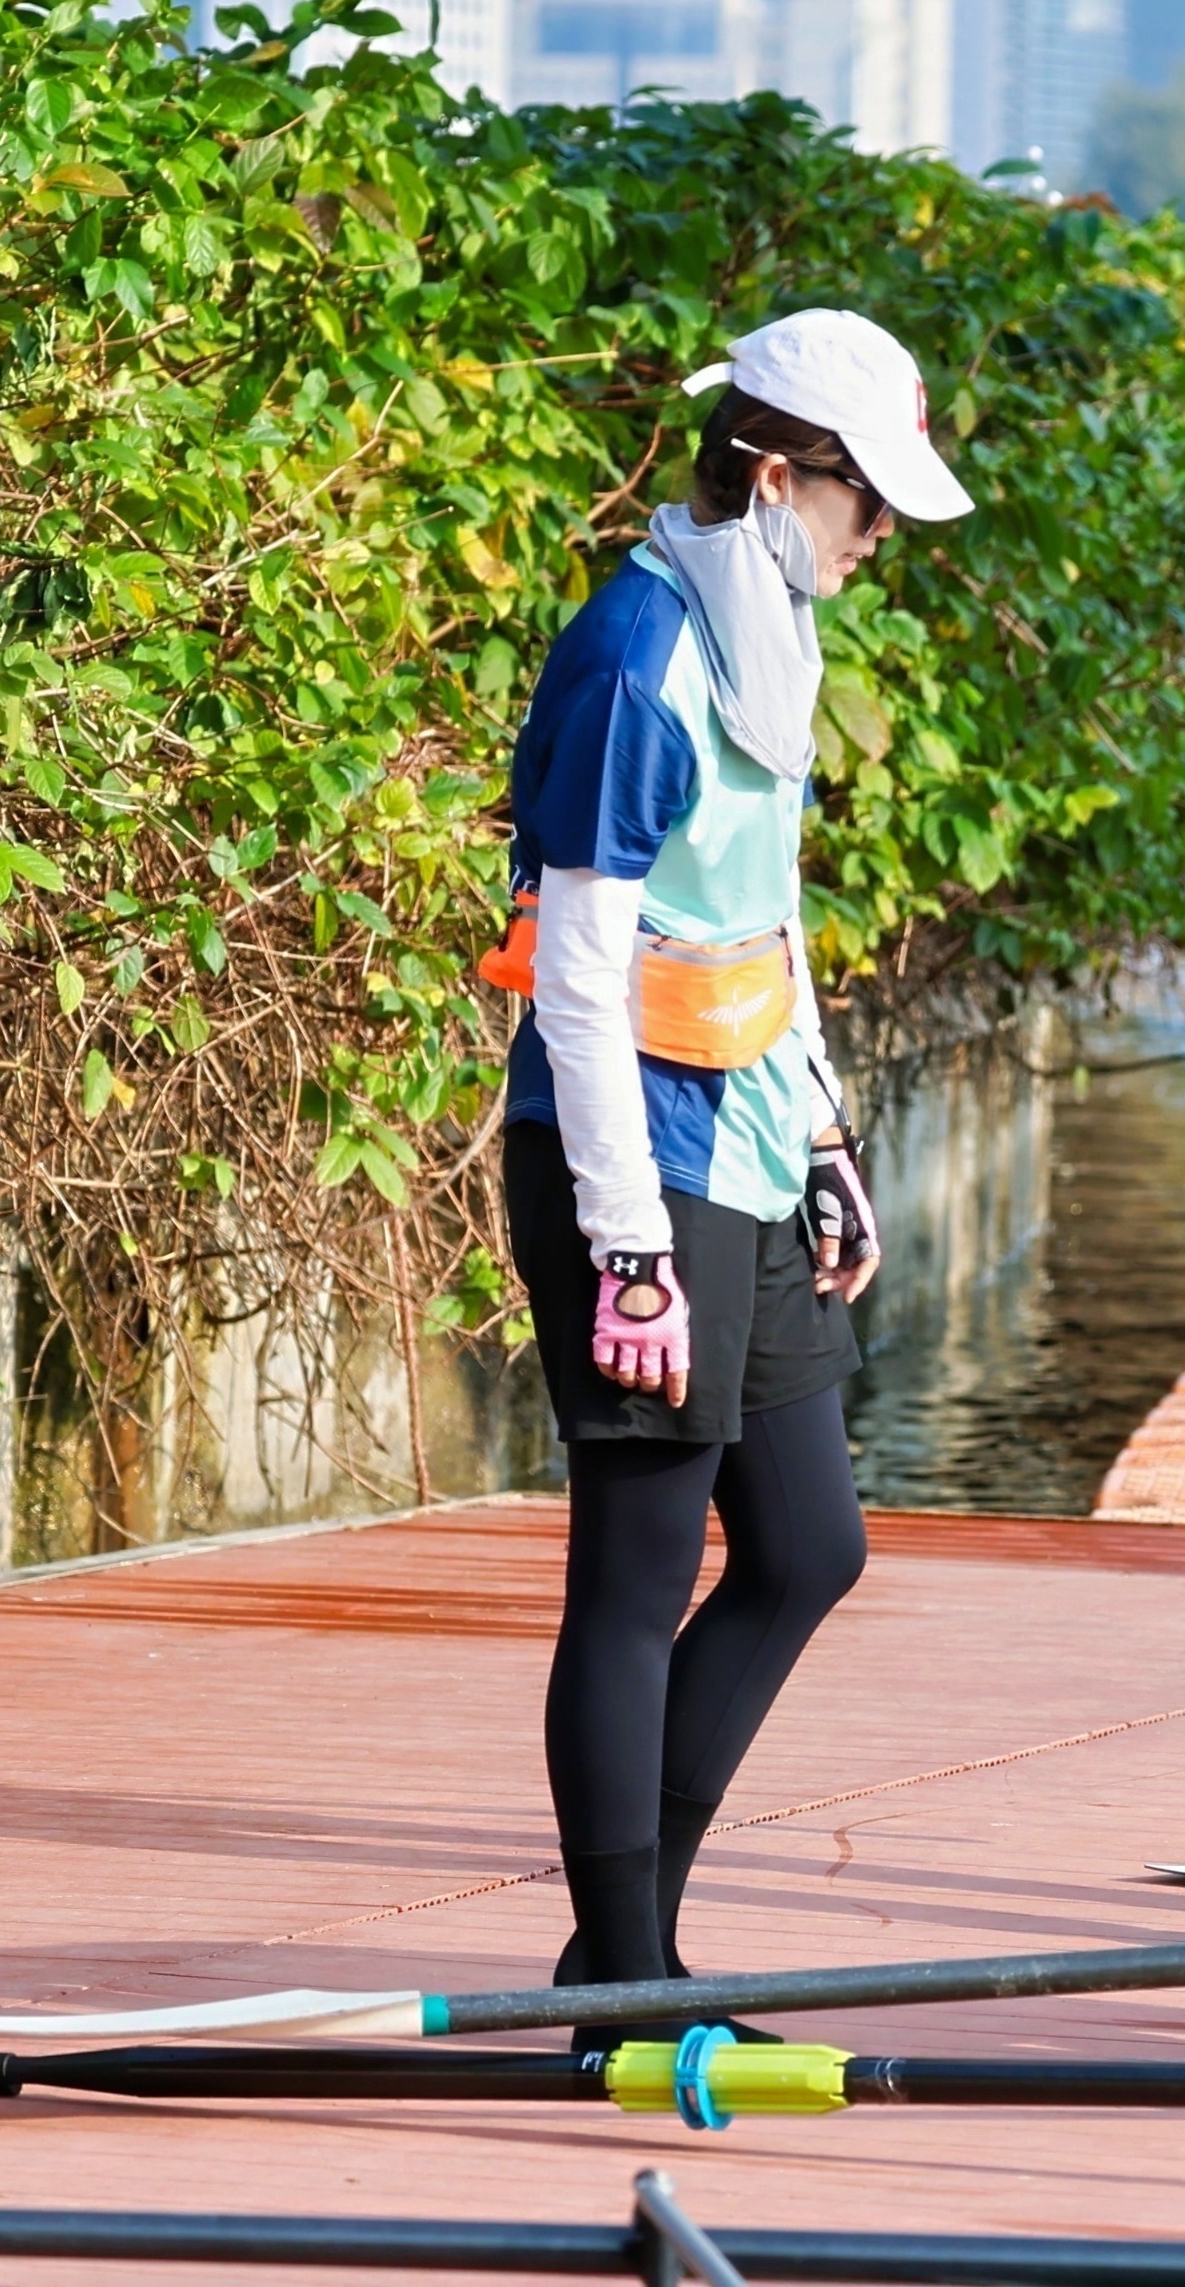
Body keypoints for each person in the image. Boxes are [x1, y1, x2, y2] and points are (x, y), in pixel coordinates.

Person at [496, 310, 970, 2016]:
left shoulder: (770, 630)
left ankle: (618, 1950)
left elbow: (759, 918)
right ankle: (622, 1977)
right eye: (864, 501)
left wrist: (827, 1127)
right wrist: (625, 1241)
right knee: (632, 1573)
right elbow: (577, 963)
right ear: (773, 476)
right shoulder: (644, 652)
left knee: (805, 1544)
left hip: (751, 1142)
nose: (881, 535)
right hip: (637, 1158)